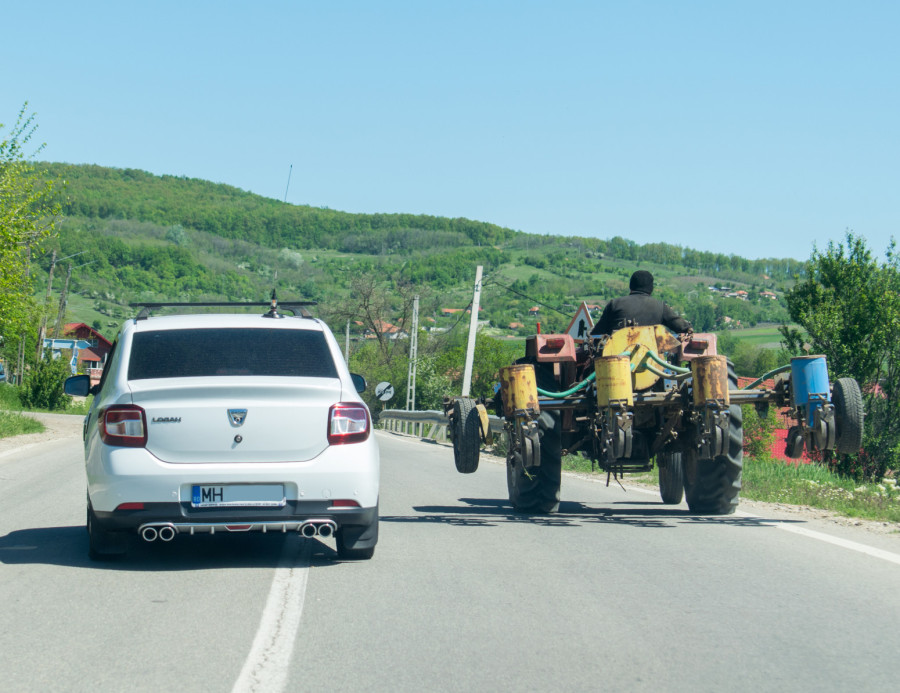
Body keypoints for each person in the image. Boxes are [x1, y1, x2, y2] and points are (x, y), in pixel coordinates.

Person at [590, 270, 691, 337]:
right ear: (651, 289)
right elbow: (683, 327)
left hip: (617, 362)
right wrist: (688, 328)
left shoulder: (614, 304)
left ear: (631, 286)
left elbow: (598, 333)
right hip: (651, 362)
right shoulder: (660, 307)